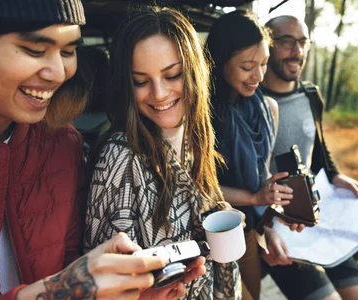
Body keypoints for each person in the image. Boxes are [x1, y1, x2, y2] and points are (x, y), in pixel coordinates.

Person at [0, 0, 191, 298]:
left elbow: (70, 270)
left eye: (69, 51)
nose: (58, 73)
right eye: (34, 50)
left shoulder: (62, 145)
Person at [83, 6, 240, 300]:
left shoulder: (195, 138)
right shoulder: (120, 159)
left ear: (195, 70)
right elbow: (105, 284)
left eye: (172, 75)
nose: (158, 93)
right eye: (141, 81)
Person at [259, 15, 358, 300]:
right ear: (268, 45)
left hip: (317, 219)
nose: (297, 51)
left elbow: (317, 149)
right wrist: (263, 228)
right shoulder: (251, 101)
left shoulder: (311, 95)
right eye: (286, 41)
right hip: (280, 229)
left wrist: (335, 175)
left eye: (302, 42)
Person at [206, 10, 296, 300]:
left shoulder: (268, 109)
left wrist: (272, 214)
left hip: (247, 231)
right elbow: (199, 186)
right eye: (247, 66)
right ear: (219, 62)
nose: (259, 76)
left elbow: (263, 178)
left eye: (264, 64)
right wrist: (257, 197)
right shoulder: (199, 115)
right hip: (204, 235)